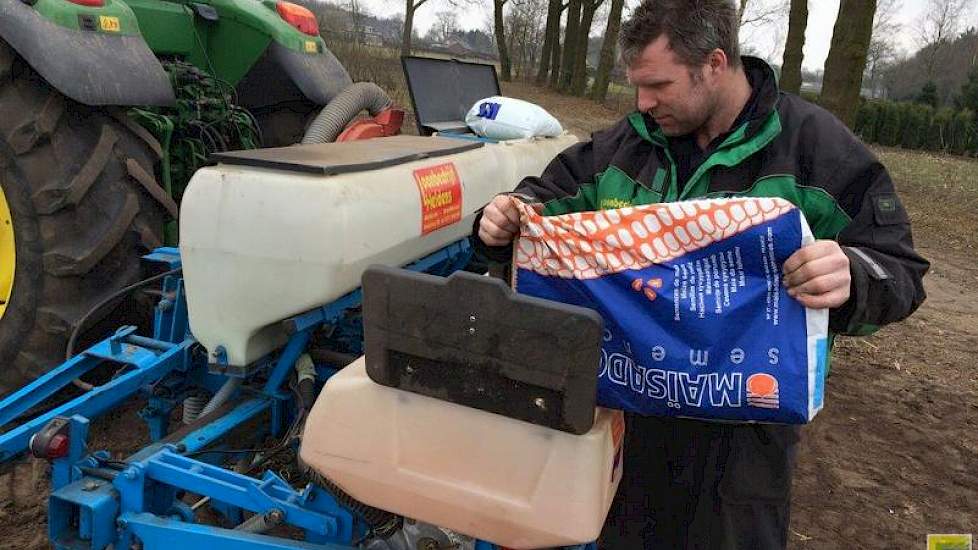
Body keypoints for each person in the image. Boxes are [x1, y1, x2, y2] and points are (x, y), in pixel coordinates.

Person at [472, 0, 929, 548]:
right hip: (628, 415)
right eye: (636, 86)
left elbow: (899, 268)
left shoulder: (817, 150)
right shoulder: (627, 144)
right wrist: (503, 216)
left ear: (715, 63)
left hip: (744, 439)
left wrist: (852, 276)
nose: (643, 102)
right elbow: (544, 201)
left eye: (659, 85)